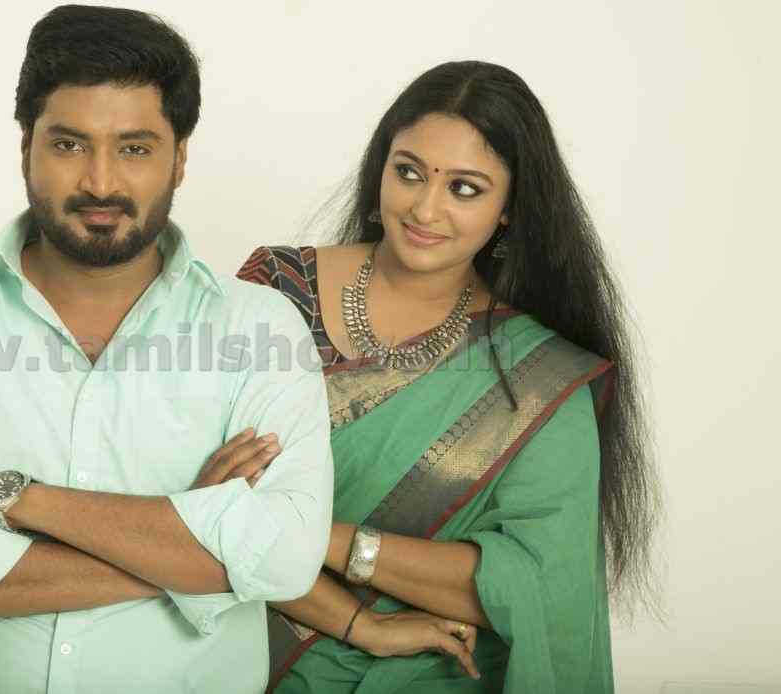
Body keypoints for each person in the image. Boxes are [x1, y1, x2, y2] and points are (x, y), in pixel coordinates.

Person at [0, 6, 342, 693]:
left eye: (134, 148)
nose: (101, 182)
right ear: (26, 147)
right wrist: (185, 544)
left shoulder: (259, 330)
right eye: (69, 145)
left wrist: (14, 501)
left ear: (180, 158)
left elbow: (284, 562)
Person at [234, 61, 660, 693]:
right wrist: (356, 616)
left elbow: (536, 583)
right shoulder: (278, 291)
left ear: (509, 209)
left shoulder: (536, 373)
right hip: (240, 649)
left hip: (431, 669)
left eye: (465, 188)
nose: (425, 208)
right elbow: (196, 499)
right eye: (408, 172)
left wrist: (321, 539)